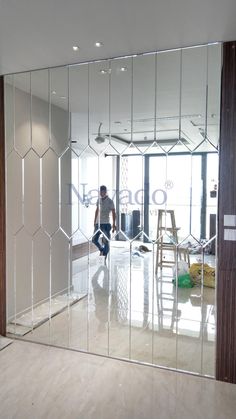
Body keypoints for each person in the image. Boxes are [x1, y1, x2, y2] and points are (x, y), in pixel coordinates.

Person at [92, 185, 116, 259]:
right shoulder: (98, 200)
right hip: (98, 224)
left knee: (106, 241)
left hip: (106, 224)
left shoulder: (110, 201)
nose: (101, 193)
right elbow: (97, 210)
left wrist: (114, 224)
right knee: (94, 239)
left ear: (105, 192)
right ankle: (101, 249)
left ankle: (104, 255)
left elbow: (113, 212)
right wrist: (94, 221)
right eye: (100, 191)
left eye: (102, 191)